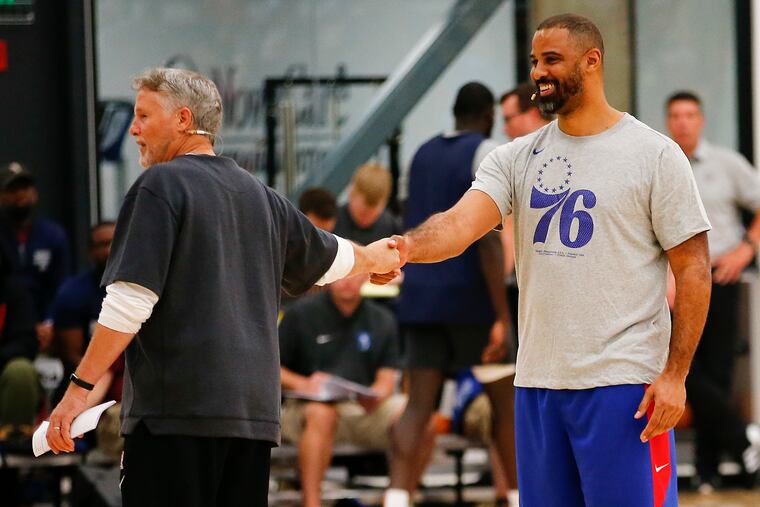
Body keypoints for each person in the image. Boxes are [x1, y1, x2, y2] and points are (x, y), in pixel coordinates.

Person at [379, 13, 713, 507]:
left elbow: (694, 270)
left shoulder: (654, 155)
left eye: (552, 60)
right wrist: (405, 247)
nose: (539, 72)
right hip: (537, 385)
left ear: (592, 61)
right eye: (535, 61)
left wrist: (675, 375)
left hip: (622, 387)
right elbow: (457, 226)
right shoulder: (515, 157)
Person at [45, 67, 400, 507]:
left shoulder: (159, 185)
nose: (134, 129)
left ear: (182, 119)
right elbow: (329, 259)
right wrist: (377, 257)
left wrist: (78, 390)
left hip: (175, 416)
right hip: (251, 422)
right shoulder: (263, 196)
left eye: (143, 116)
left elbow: (128, 303)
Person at [385, 82, 515, 507]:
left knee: (418, 404)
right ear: (489, 114)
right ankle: (515, 495)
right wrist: (502, 315)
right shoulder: (487, 150)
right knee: (503, 402)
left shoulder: (420, 154)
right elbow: (488, 241)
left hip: (420, 294)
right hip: (470, 298)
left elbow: (411, 217)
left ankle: (397, 496)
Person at [665, 91, 760, 491]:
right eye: (676, 116)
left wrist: (747, 248)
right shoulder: (660, 163)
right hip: (672, 285)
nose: (684, 122)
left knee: (716, 375)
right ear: (668, 122)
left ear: (701, 120)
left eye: (691, 115)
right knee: (686, 373)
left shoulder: (726, 164)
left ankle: (707, 471)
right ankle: (743, 441)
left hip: (720, 279)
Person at [279, 273, 434, 507]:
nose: (348, 280)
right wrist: (304, 384)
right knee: (321, 414)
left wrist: (377, 394)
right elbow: (272, 367)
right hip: (308, 408)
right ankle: (311, 502)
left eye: (355, 273)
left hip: (360, 408)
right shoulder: (300, 314)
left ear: (367, 276)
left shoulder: (382, 318)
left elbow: (387, 377)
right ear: (329, 276)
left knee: (422, 419)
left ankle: (398, 498)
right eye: (342, 273)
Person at [0, 163, 71, 352]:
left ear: (35, 193)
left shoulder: (53, 234)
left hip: (47, 324)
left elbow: (61, 286)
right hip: (6, 325)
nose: (20, 194)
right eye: (12, 189)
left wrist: (49, 322)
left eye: (25, 188)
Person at [334, 162, 401, 245]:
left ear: (384, 204)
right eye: (361, 213)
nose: (364, 220)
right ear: (350, 192)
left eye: (372, 214)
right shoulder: (330, 222)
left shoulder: (393, 229)